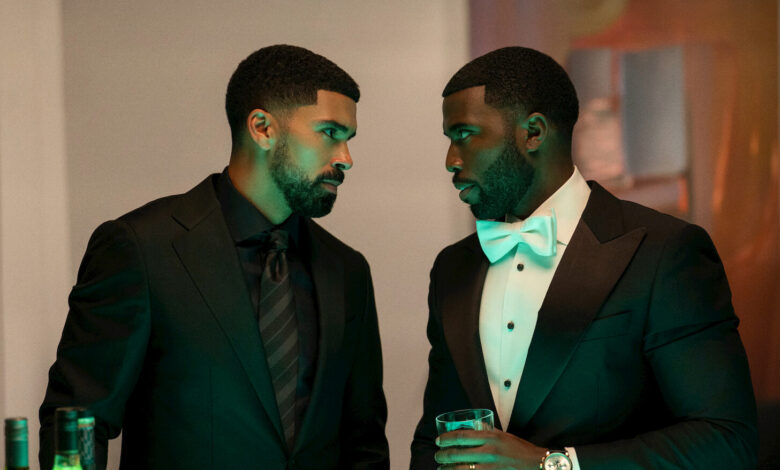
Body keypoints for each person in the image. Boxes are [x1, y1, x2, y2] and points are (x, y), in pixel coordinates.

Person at [40, 44, 389, 470]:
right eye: (330, 133)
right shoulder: (141, 248)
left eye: (349, 139)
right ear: (262, 128)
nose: (345, 158)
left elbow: (364, 445)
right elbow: (76, 420)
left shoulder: (348, 271)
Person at [410, 46, 758, 469]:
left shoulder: (664, 252)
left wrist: (553, 464)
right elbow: (432, 440)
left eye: (464, 135)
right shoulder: (453, 268)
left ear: (533, 132)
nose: (451, 160)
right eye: (449, 140)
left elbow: (725, 439)